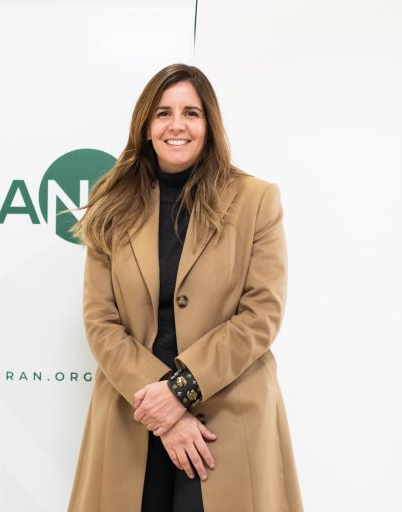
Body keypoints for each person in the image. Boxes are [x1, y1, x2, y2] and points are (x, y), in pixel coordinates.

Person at [68, 63, 303, 512]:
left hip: (228, 418)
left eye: (191, 113)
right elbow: (100, 322)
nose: (177, 125)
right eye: (164, 113)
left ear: (209, 124)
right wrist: (164, 406)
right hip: (134, 413)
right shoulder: (111, 204)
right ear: (146, 126)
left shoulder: (256, 200)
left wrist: (181, 391)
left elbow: (262, 314)